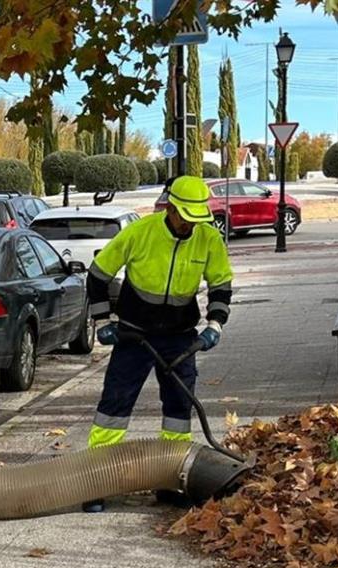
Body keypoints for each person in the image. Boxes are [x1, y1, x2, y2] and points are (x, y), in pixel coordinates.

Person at [82, 175, 234, 512]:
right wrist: (103, 321)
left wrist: (215, 324)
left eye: (197, 220)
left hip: (180, 337)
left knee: (179, 410)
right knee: (114, 407)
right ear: (171, 209)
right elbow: (98, 275)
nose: (189, 226)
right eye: (185, 218)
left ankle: (170, 479)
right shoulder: (140, 232)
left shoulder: (208, 238)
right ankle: (96, 480)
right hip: (135, 334)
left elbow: (221, 284)